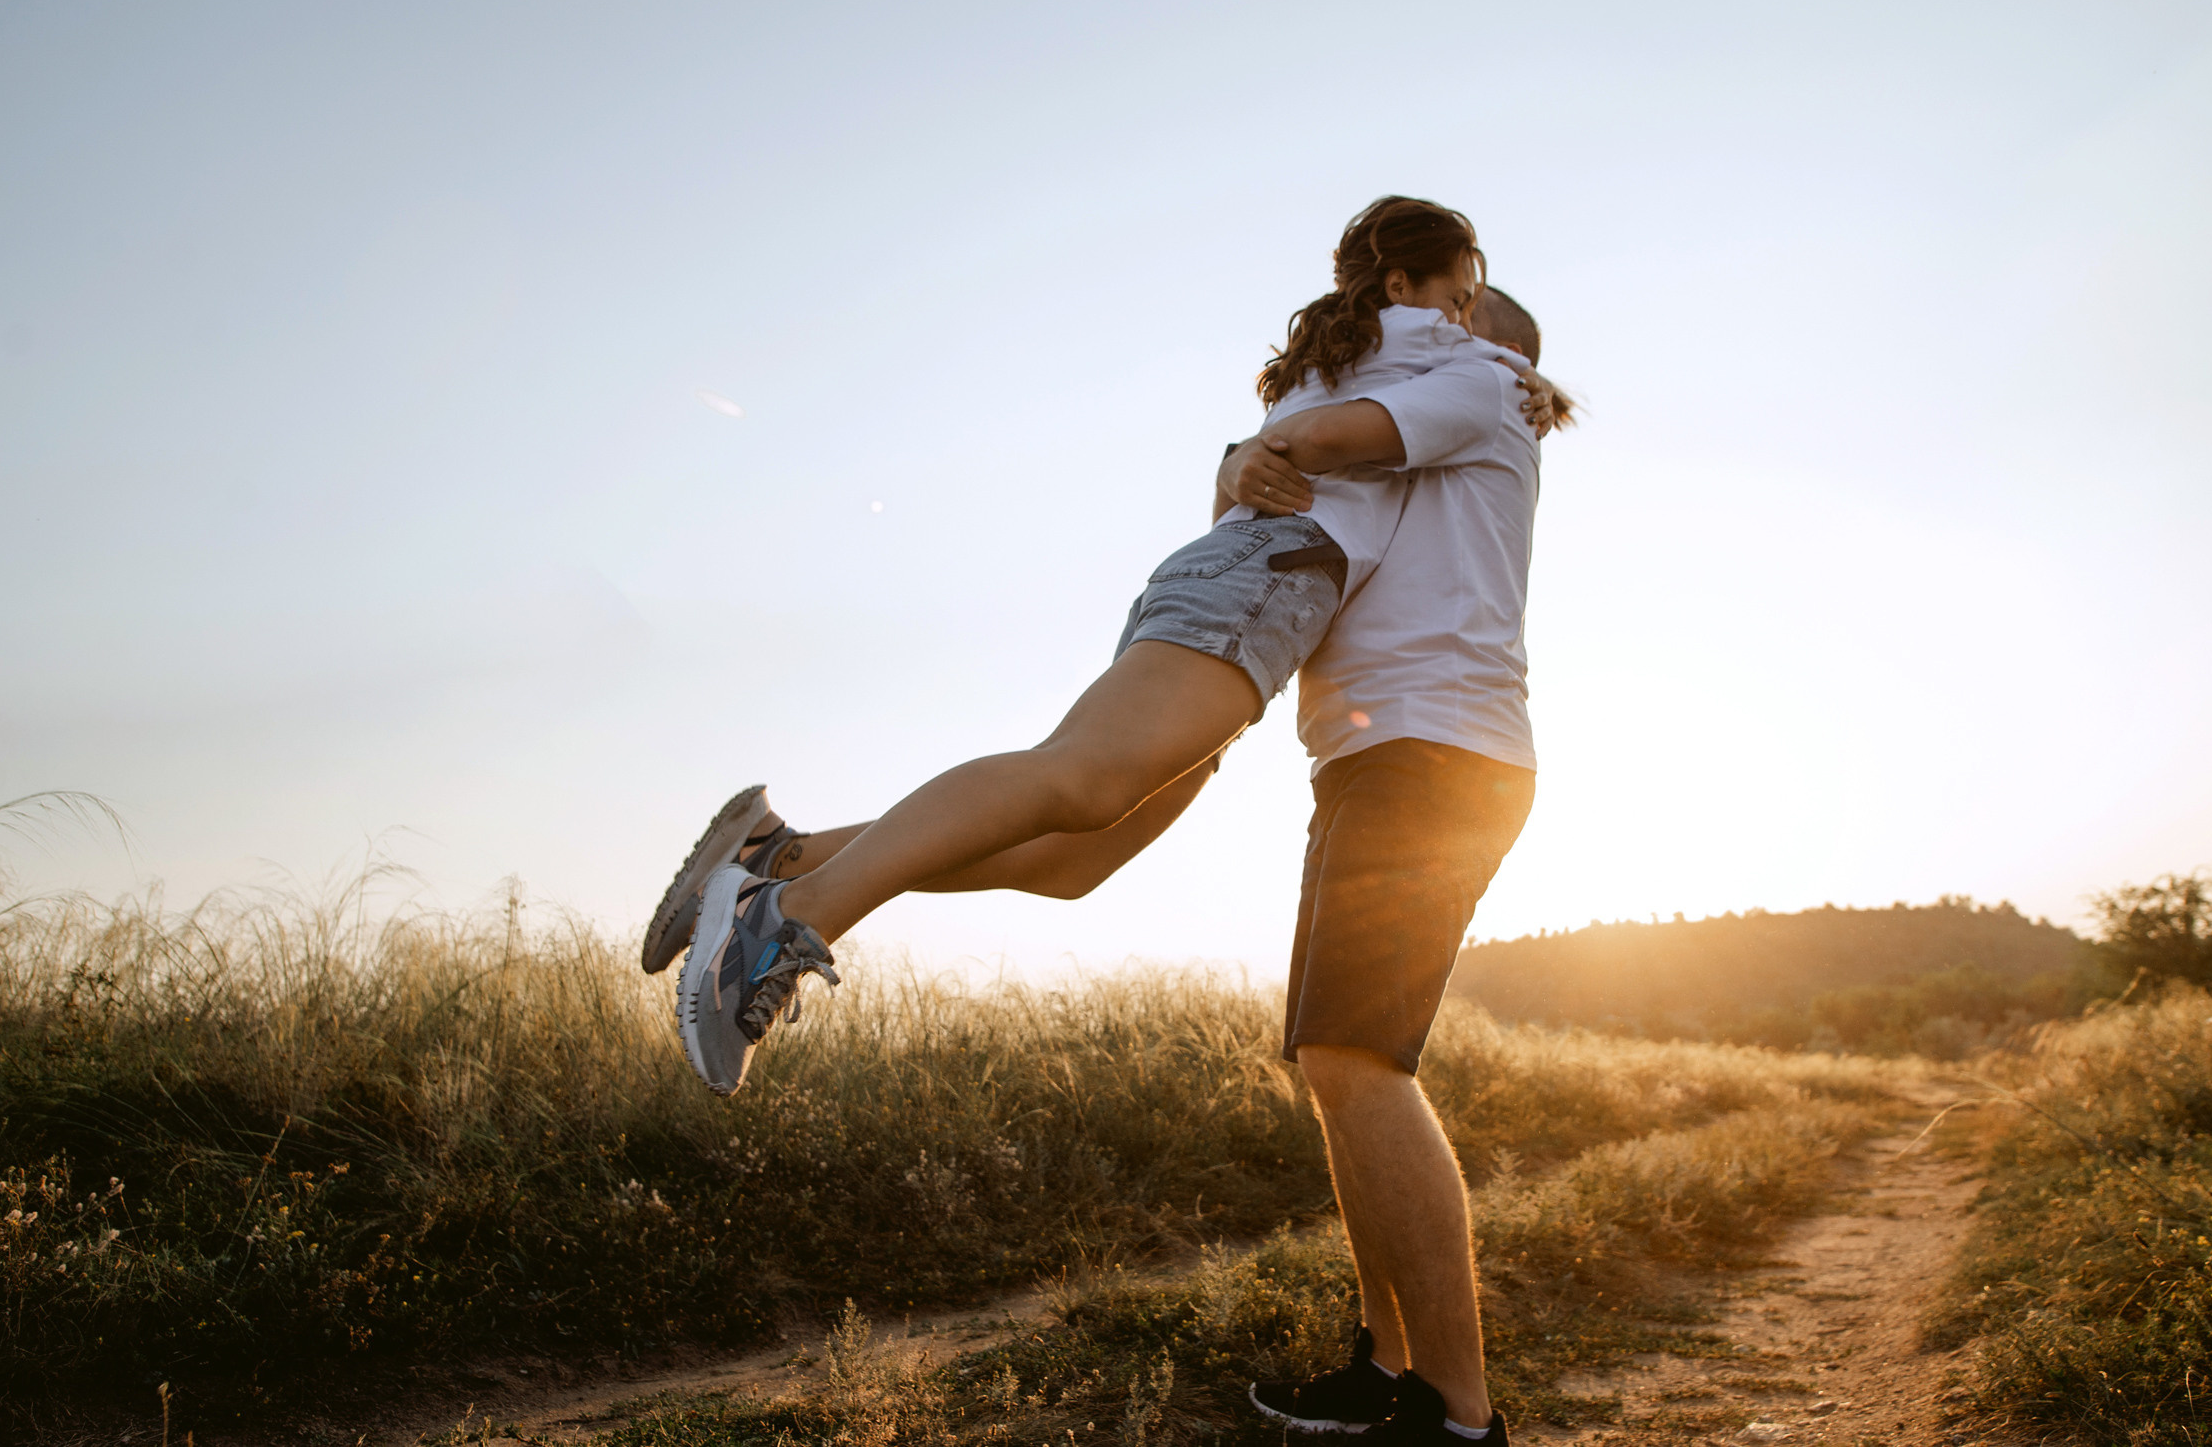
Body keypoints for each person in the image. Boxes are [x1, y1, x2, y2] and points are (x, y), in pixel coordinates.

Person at [641, 198, 1567, 1096]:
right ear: (1408, 290)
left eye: (1473, 317)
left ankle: (773, 856)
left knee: (1070, 859)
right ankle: (784, 917)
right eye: (1458, 302)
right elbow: (1319, 438)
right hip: (1266, 584)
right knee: (1082, 777)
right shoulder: (1456, 364)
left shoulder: (1391, 367)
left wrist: (1243, 457)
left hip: (1262, 602)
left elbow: (1259, 473)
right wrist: (1483, 376)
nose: (1461, 325)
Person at [1229, 283, 1554, 1447]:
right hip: (1375, 758)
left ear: (1493, 349)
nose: (1416, 333)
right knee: (1335, 1065)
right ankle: (1386, 1363)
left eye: (1452, 317)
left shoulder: (1484, 390)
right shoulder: (1430, 427)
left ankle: (1458, 1418)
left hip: (1434, 754)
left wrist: (1254, 447)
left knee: (1359, 1058)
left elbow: (1306, 441)